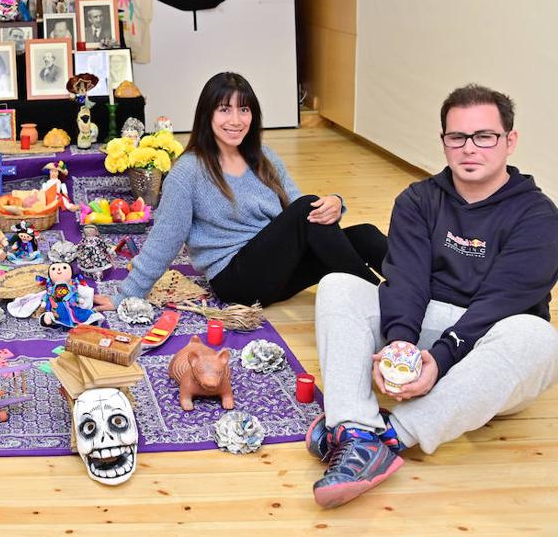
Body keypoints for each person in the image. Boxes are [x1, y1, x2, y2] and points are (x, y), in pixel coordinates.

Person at [306, 85, 558, 508]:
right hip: (424, 333)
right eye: (456, 137)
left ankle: (391, 435)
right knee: (339, 285)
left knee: (539, 337)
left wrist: (440, 358)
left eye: (485, 136)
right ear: (443, 141)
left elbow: (500, 302)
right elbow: (406, 280)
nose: (469, 149)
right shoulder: (419, 200)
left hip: (488, 357)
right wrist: (402, 341)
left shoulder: (539, 217)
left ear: (509, 141)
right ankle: (353, 429)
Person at [107, 72, 386, 310]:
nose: (237, 120)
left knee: (365, 235)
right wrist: (126, 294)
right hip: (237, 280)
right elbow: (164, 240)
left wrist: (335, 204)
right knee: (307, 209)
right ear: (207, 115)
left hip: (279, 271)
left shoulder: (264, 156)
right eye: (225, 109)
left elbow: (301, 210)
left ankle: (422, 286)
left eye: (244, 109)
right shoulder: (187, 172)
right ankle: (385, 303)